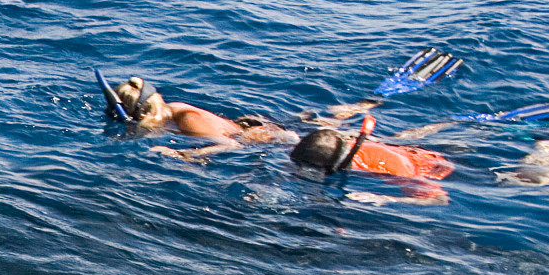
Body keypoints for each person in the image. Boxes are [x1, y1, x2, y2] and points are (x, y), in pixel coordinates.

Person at [104, 75, 295, 157]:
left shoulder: (188, 119)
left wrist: (183, 154)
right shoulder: (168, 111)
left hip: (274, 142)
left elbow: (232, 145)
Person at [289, 124, 453, 204]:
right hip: (395, 148)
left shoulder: (395, 171)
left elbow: (440, 199)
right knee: (397, 139)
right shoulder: (336, 144)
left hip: (435, 166)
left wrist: (386, 198)